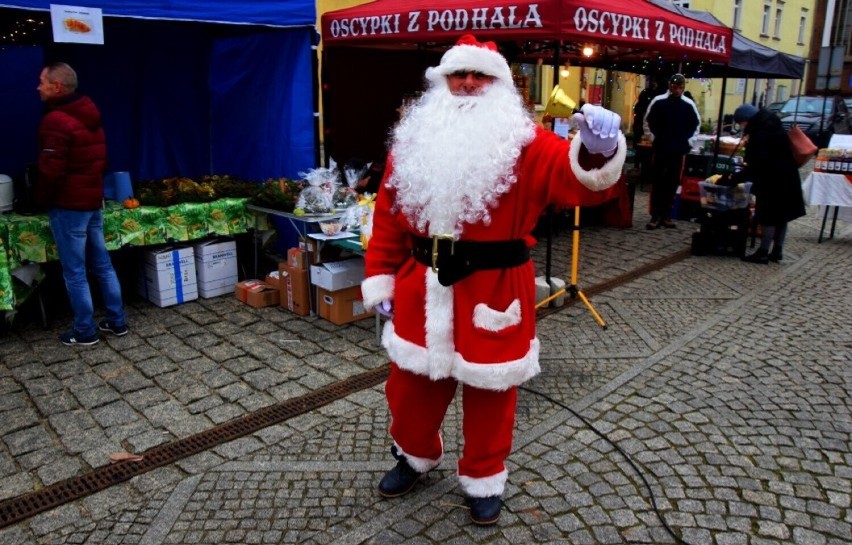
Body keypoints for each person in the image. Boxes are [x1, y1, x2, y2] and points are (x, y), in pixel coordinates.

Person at [360, 35, 626, 525]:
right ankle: (415, 454)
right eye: (458, 75)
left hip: (496, 288)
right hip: (421, 285)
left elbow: (575, 183)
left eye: (479, 75)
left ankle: (483, 475)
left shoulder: (525, 143)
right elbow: (389, 216)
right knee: (409, 386)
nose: (466, 84)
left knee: (491, 394)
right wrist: (380, 276)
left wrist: (596, 150)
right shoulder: (412, 141)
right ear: (440, 82)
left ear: (500, 85)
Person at [34, 62, 128, 345]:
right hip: (91, 202)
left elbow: (51, 171)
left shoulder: (56, 120)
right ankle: (117, 320)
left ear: (57, 86)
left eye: (42, 81)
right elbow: (102, 161)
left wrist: (38, 199)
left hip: (69, 206)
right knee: (102, 264)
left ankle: (84, 330)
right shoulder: (90, 115)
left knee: (75, 271)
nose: (38, 87)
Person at [732, 104, 805, 264]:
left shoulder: (761, 133)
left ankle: (763, 252)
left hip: (773, 179)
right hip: (787, 176)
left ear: (747, 121)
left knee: (769, 215)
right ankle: (777, 250)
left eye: (741, 123)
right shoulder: (772, 124)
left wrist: (735, 178)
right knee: (782, 215)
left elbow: (758, 162)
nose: (742, 127)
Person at [642, 73, 701, 229]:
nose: (677, 89)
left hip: (677, 151)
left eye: (680, 87)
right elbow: (647, 122)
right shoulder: (658, 102)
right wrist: (654, 138)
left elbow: (696, 125)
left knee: (673, 183)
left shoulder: (689, 105)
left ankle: (666, 215)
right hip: (661, 149)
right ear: (670, 86)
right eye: (675, 86)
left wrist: (688, 142)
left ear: (683, 87)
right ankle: (655, 215)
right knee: (658, 182)